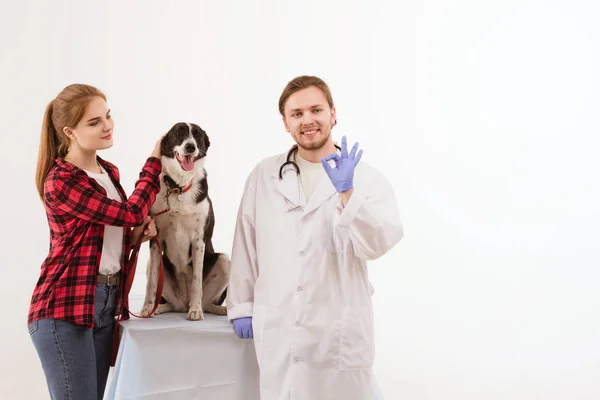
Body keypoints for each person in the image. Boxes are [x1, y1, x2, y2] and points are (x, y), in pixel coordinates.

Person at [226, 75, 404, 399]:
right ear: (285, 123)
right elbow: (245, 242)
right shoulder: (264, 176)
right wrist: (241, 305)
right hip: (279, 327)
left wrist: (347, 192)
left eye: (316, 110)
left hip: (337, 331)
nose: (307, 120)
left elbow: (380, 242)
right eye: (296, 114)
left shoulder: (365, 177)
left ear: (333, 114)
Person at [28, 83, 164, 400]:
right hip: (64, 307)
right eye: (94, 122)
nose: (107, 126)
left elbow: (113, 233)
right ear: (69, 132)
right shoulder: (62, 180)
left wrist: (137, 236)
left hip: (105, 303)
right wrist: (153, 165)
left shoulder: (108, 171)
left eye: (108, 116)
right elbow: (130, 212)